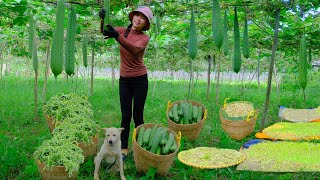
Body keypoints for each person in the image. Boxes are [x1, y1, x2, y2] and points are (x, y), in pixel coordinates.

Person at [99, 6, 153, 160]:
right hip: (125, 80)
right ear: (133, 16)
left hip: (140, 80)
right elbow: (105, 31)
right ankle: (123, 148)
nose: (139, 19)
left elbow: (133, 49)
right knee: (125, 116)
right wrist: (103, 19)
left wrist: (117, 36)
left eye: (143, 18)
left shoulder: (144, 38)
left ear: (145, 24)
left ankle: (140, 146)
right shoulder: (123, 31)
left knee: (138, 116)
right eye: (137, 15)